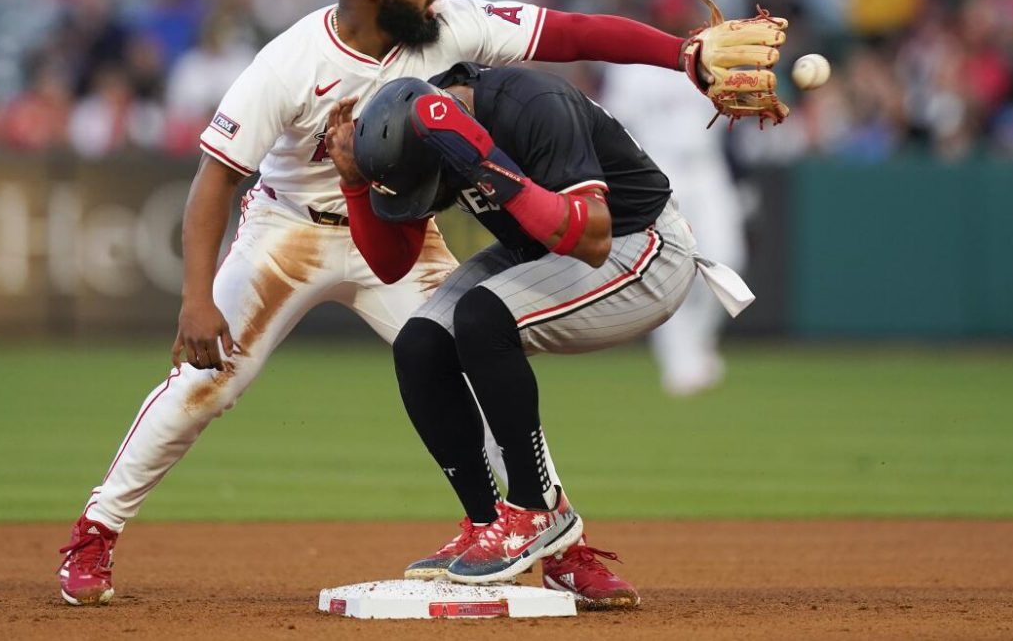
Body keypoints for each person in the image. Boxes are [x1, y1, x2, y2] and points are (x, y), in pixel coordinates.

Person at [56, 0, 741, 608]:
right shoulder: (291, 61)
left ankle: (559, 545)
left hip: (397, 223)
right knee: (207, 383)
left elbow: (570, 32)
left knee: (476, 362)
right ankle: (95, 531)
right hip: (289, 230)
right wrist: (195, 297)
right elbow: (215, 179)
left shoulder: (450, 25)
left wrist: (681, 54)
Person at [323, 64, 755, 602]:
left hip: (642, 248)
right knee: (420, 344)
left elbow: (593, 237)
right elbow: (391, 266)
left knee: (482, 316)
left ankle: (534, 511)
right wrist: (354, 183)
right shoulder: (423, 131)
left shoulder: (534, 104)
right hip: (543, 244)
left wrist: (483, 160)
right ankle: (487, 524)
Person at [600, 63, 747, 395]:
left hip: (708, 167)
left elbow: (732, 118)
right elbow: (615, 125)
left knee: (727, 258)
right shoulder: (631, 69)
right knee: (668, 269)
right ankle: (679, 363)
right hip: (660, 168)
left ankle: (699, 344)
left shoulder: (712, 58)